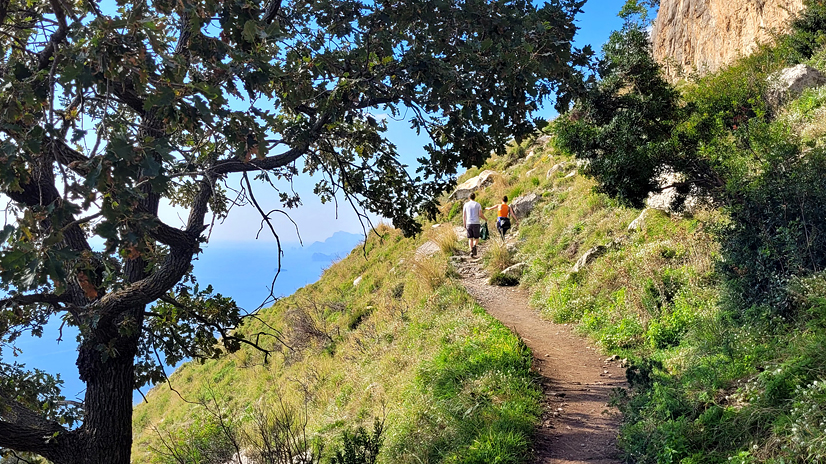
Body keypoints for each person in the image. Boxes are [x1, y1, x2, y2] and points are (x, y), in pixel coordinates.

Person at [462, 192, 486, 257]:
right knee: (477, 237)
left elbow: (464, 216)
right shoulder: (478, 205)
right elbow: (480, 214)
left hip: (468, 223)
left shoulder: (466, 205)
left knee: (470, 238)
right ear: (475, 197)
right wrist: (485, 219)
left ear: (469, 197)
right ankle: (475, 246)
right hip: (476, 223)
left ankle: (471, 251)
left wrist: (464, 224)